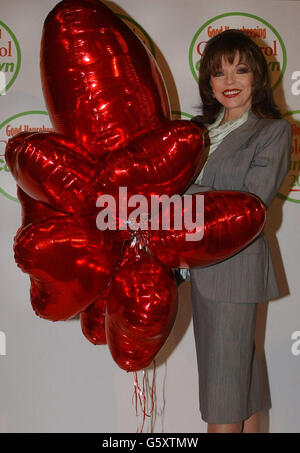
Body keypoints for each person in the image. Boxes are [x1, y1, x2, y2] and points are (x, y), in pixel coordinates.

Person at [179, 29, 292, 433]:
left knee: (224, 394)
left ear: (257, 77)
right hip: (201, 270)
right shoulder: (195, 132)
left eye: (240, 70)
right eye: (219, 73)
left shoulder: (272, 132)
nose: (229, 82)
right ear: (208, 81)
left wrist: (178, 191)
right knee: (244, 384)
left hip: (234, 272)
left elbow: (250, 203)